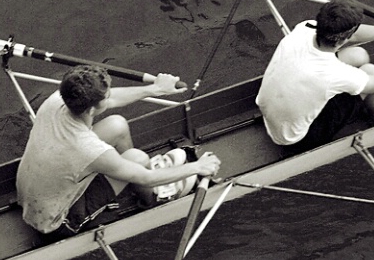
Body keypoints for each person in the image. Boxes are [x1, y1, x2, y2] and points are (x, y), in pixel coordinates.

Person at [16, 64, 222, 242]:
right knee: (138, 160)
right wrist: (198, 167)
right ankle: (152, 198)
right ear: (90, 110)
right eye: (105, 96)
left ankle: (128, 175)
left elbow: (111, 99)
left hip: (31, 192)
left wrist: (155, 88)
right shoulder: (88, 148)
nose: (110, 96)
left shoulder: (58, 100)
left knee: (118, 125)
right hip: (56, 221)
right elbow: (147, 177)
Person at [256, 0, 374, 156]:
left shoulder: (304, 29)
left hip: (270, 111)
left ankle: (369, 96)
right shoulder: (333, 73)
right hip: (296, 140)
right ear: (341, 38)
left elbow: (352, 35)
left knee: (358, 55)